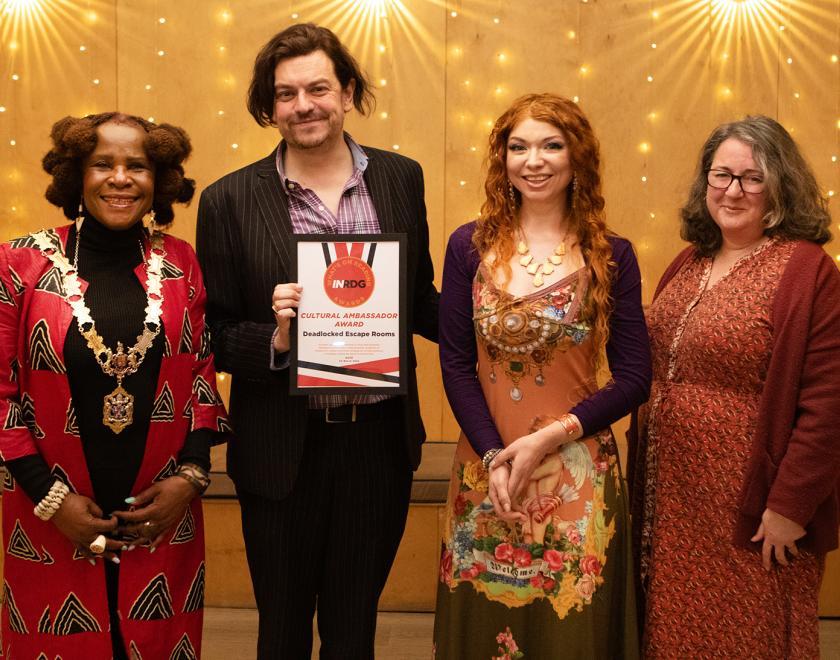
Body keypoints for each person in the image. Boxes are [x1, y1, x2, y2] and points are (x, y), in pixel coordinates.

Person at [195, 23, 438, 658]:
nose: (303, 105)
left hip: (377, 444)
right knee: (280, 626)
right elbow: (213, 333)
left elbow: (418, 300)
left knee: (354, 624)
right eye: (285, 94)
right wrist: (275, 338)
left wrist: (505, 316)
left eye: (318, 88)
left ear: (348, 92)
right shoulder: (228, 199)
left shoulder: (400, 179)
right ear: (269, 107)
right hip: (281, 447)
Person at [0, 112, 229, 658]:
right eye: (103, 163)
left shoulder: (179, 262)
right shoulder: (19, 262)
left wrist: (191, 479)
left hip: (160, 516)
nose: (120, 178)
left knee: (154, 643)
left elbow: (200, 375)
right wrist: (53, 501)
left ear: (161, 181)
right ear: (76, 175)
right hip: (49, 518)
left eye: (138, 166)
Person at [434, 93, 651, 659]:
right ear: (502, 159)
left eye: (551, 145)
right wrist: (493, 456)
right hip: (488, 471)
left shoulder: (613, 256)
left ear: (577, 157)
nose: (534, 160)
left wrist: (548, 437)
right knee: (484, 626)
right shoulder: (468, 246)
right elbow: (455, 364)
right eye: (519, 146)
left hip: (576, 474)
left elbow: (634, 377)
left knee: (567, 634)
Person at [629, 115, 840, 657]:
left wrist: (790, 505)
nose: (732, 190)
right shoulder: (688, 261)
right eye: (720, 175)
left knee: (750, 635)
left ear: (780, 186)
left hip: (750, 505)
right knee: (671, 633)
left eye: (751, 177)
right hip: (671, 499)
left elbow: (828, 402)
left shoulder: (808, 270)